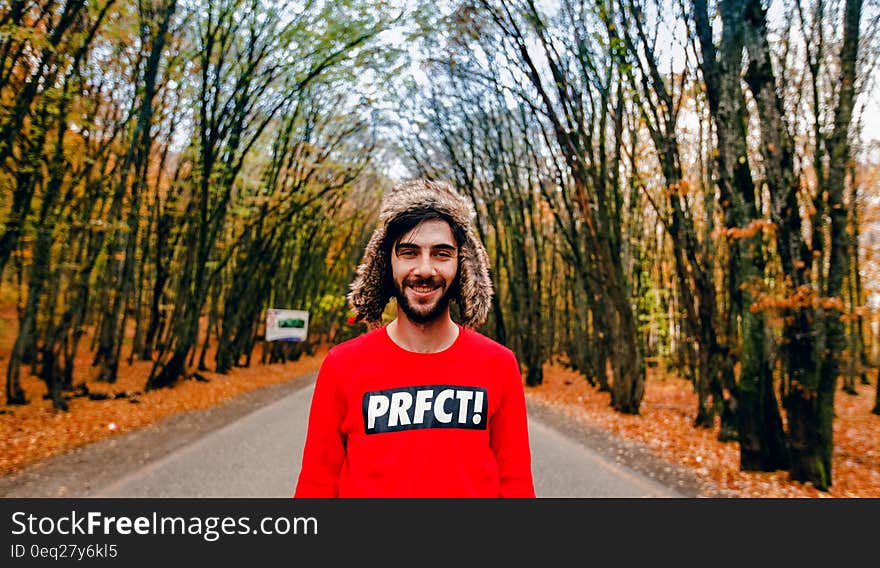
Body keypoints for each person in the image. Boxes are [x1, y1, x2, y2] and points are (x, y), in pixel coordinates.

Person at [294, 179, 535, 498]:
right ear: (387, 263)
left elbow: (516, 484)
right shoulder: (343, 365)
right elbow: (316, 484)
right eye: (409, 252)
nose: (425, 269)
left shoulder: (498, 364)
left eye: (441, 254)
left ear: (461, 265)